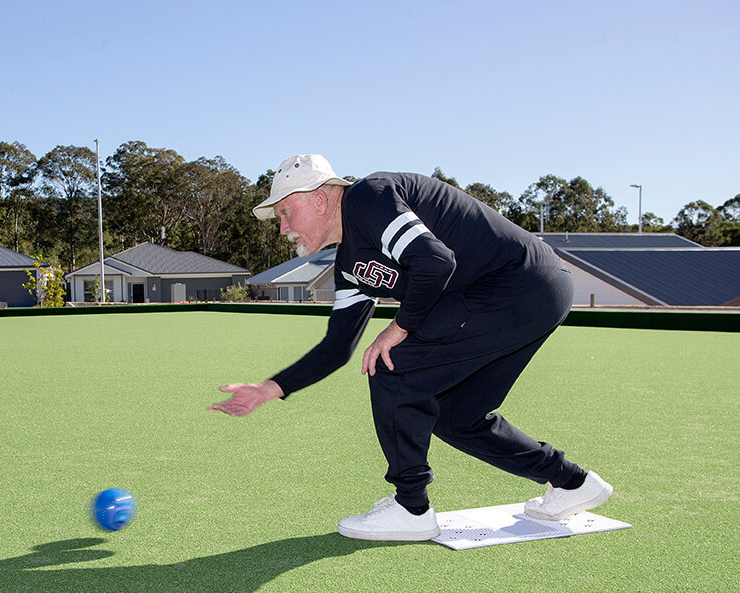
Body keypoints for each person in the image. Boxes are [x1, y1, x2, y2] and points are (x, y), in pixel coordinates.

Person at [208, 154, 613, 541]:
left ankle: (411, 508)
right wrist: (268, 389)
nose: (282, 228)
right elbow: (338, 346)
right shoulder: (350, 264)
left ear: (319, 197)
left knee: (390, 365)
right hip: (532, 293)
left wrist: (398, 327)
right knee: (458, 418)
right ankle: (572, 483)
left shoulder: (368, 198)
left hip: (516, 283)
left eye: (284, 212)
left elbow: (435, 261)